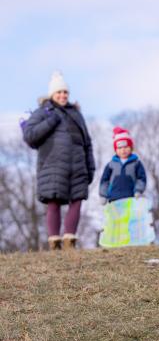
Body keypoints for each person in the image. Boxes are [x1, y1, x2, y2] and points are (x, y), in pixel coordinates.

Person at [21, 71, 95, 250]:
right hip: (52, 165)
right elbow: (30, 136)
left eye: (65, 92)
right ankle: (54, 241)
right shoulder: (43, 112)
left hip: (78, 165)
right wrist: (52, 120)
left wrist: (90, 166)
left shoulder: (76, 114)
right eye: (59, 92)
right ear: (52, 94)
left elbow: (87, 142)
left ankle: (70, 240)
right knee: (53, 200)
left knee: (77, 199)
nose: (62, 96)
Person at [99, 127, 147, 204]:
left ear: (131, 148)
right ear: (115, 150)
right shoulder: (111, 165)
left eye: (126, 147)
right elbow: (104, 181)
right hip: (114, 199)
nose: (123, 150)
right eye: (120, 148)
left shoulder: (136, 163)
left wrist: (138, 190)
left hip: (131, 198)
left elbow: (141, 178)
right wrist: (103, 195)